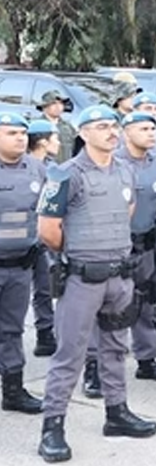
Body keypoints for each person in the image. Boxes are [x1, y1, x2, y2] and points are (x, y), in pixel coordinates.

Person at [36, 106, 156, 463]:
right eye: (102, 127)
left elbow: (128, 211)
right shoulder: (66, 174)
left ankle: (117, 412)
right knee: (70, 353)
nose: (111, 132)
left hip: (119, 277)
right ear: (83, 133)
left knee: (116, 348)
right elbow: (48, 230)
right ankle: (53, 426)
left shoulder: (123, 169)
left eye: (114, 126)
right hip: (82, 278)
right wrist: (79, 254)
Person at [115, 110, 156, 386]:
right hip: (118, 247)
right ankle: (95, 367)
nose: (151, 133)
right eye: (143, 129)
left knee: (145, 304)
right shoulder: (114, 163)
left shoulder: (155, 164)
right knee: (111, 310)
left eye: (153, 129)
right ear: (125, 132)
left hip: (148, 243)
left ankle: (147, 359)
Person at [0, 114, 46, 414]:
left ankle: (13, 390)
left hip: (19, 266)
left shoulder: (38, 169)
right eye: (11, 133)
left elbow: (48, 213)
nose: (19, 138)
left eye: (23, 133)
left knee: (11, 330)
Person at [25, 118, 60, 357]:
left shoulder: (53, 167)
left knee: (45, 287)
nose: (59, 142)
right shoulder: (21, 167)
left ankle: (45, 333)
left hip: (42, 240)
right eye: (55, 138)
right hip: (20, 240)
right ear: (42, 142)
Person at [35, 90, 76, 163]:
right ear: (44, 106)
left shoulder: (68, 126)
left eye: (61, 103)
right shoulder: (37, 127)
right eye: (53, 104)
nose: (58, 107)